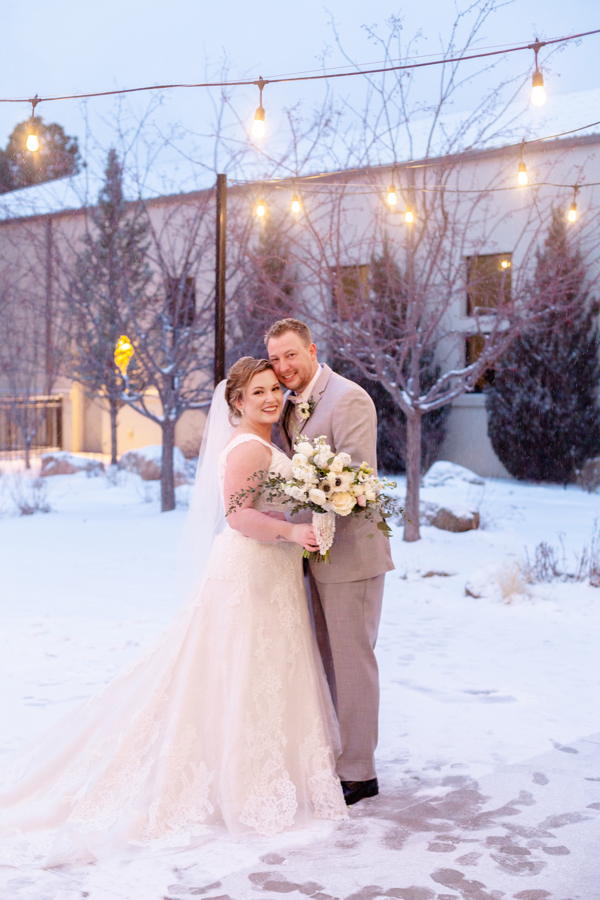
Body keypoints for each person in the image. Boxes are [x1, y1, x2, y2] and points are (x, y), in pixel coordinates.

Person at [0, 357, 347, 869]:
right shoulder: (249, 447)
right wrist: (293, 531)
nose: (272, 398)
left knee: (260, 672)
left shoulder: (268, 442)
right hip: (248, 573)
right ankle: (237, 780)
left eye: (276, 389)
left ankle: (267, 769)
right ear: (237, 403)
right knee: (236, 671)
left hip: (271, 575)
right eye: (259, 393)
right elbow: (238, 516)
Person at [265, 318, 394, 807]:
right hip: (314, 552)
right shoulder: (290, 405)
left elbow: (355, 482)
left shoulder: (349, 398)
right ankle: (340, 752)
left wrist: (289, 514)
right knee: (326, 659)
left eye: (290, 355)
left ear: (312, 350)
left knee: (353, 661)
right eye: (275, 359)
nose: (283, 367)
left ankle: (360, 772)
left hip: (352, 556)